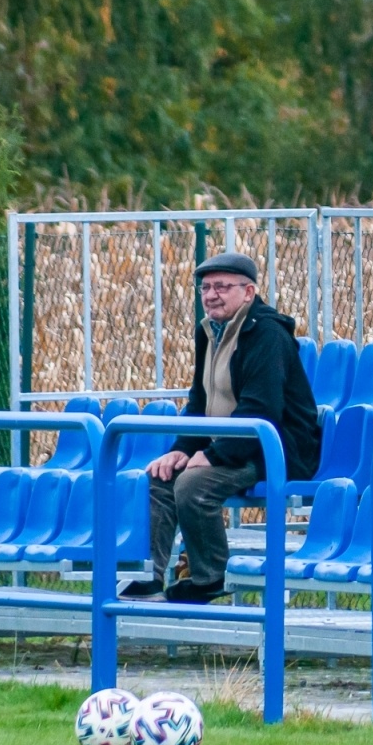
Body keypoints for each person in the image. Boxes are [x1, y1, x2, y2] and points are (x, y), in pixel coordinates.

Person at [125, 253, 322, 604]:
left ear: (248, 293)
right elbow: (200, 401)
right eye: (205, 287)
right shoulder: (210, 331)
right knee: (160, 477)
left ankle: (210, 577)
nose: (211, 295)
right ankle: (149, 576)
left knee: (193, 484)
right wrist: (182, 449)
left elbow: (262, 411)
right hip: (234, 445)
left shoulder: (266, 334)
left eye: (222, 287)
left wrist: (213, 455)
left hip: (274, 449)